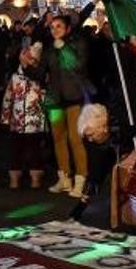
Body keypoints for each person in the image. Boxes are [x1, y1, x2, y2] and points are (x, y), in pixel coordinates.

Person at [38, 14, 92, 197]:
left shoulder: (78, 43)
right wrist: (27, 64)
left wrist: (64, 48)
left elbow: (77, 65)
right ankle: (64, 178)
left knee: (75, 140)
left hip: (74, 98)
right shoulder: (49, 48)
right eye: (52, 27)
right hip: (54, 100)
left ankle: (81, 179)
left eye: (59, 26)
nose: (55, 30)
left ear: (68, 28)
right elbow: (40, 73)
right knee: (58, 139)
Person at [1, 42, 48, 189]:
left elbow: (46, 97)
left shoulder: (41, 77)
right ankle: (15, 177)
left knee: (35, 149)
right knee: (16, 149)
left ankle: (35, 177)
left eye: (33, 59)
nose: (29, 61)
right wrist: (5, 116)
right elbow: (8, 97)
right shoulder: (15, 77)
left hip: (35, 120)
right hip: (17, 120)